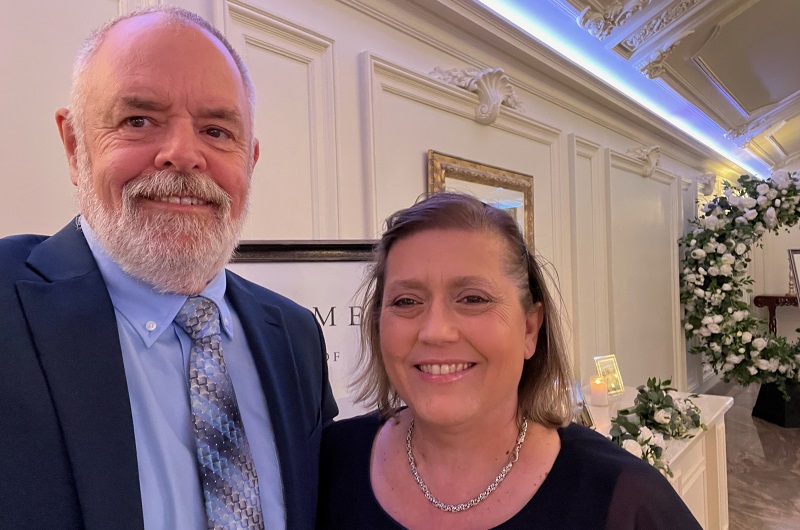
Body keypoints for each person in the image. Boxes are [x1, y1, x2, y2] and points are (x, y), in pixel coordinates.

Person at [0, 6, 337, 530]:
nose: (183, 154)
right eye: (138, 120)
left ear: (250, 159)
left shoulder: (294, 336)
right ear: (74, 147)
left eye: (217, 130)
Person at [317, 192, 700, 529]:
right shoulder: (326, 463)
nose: (435, 331)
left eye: (473, 299)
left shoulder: (627, 498)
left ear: (530, 329)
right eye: (406, 301)